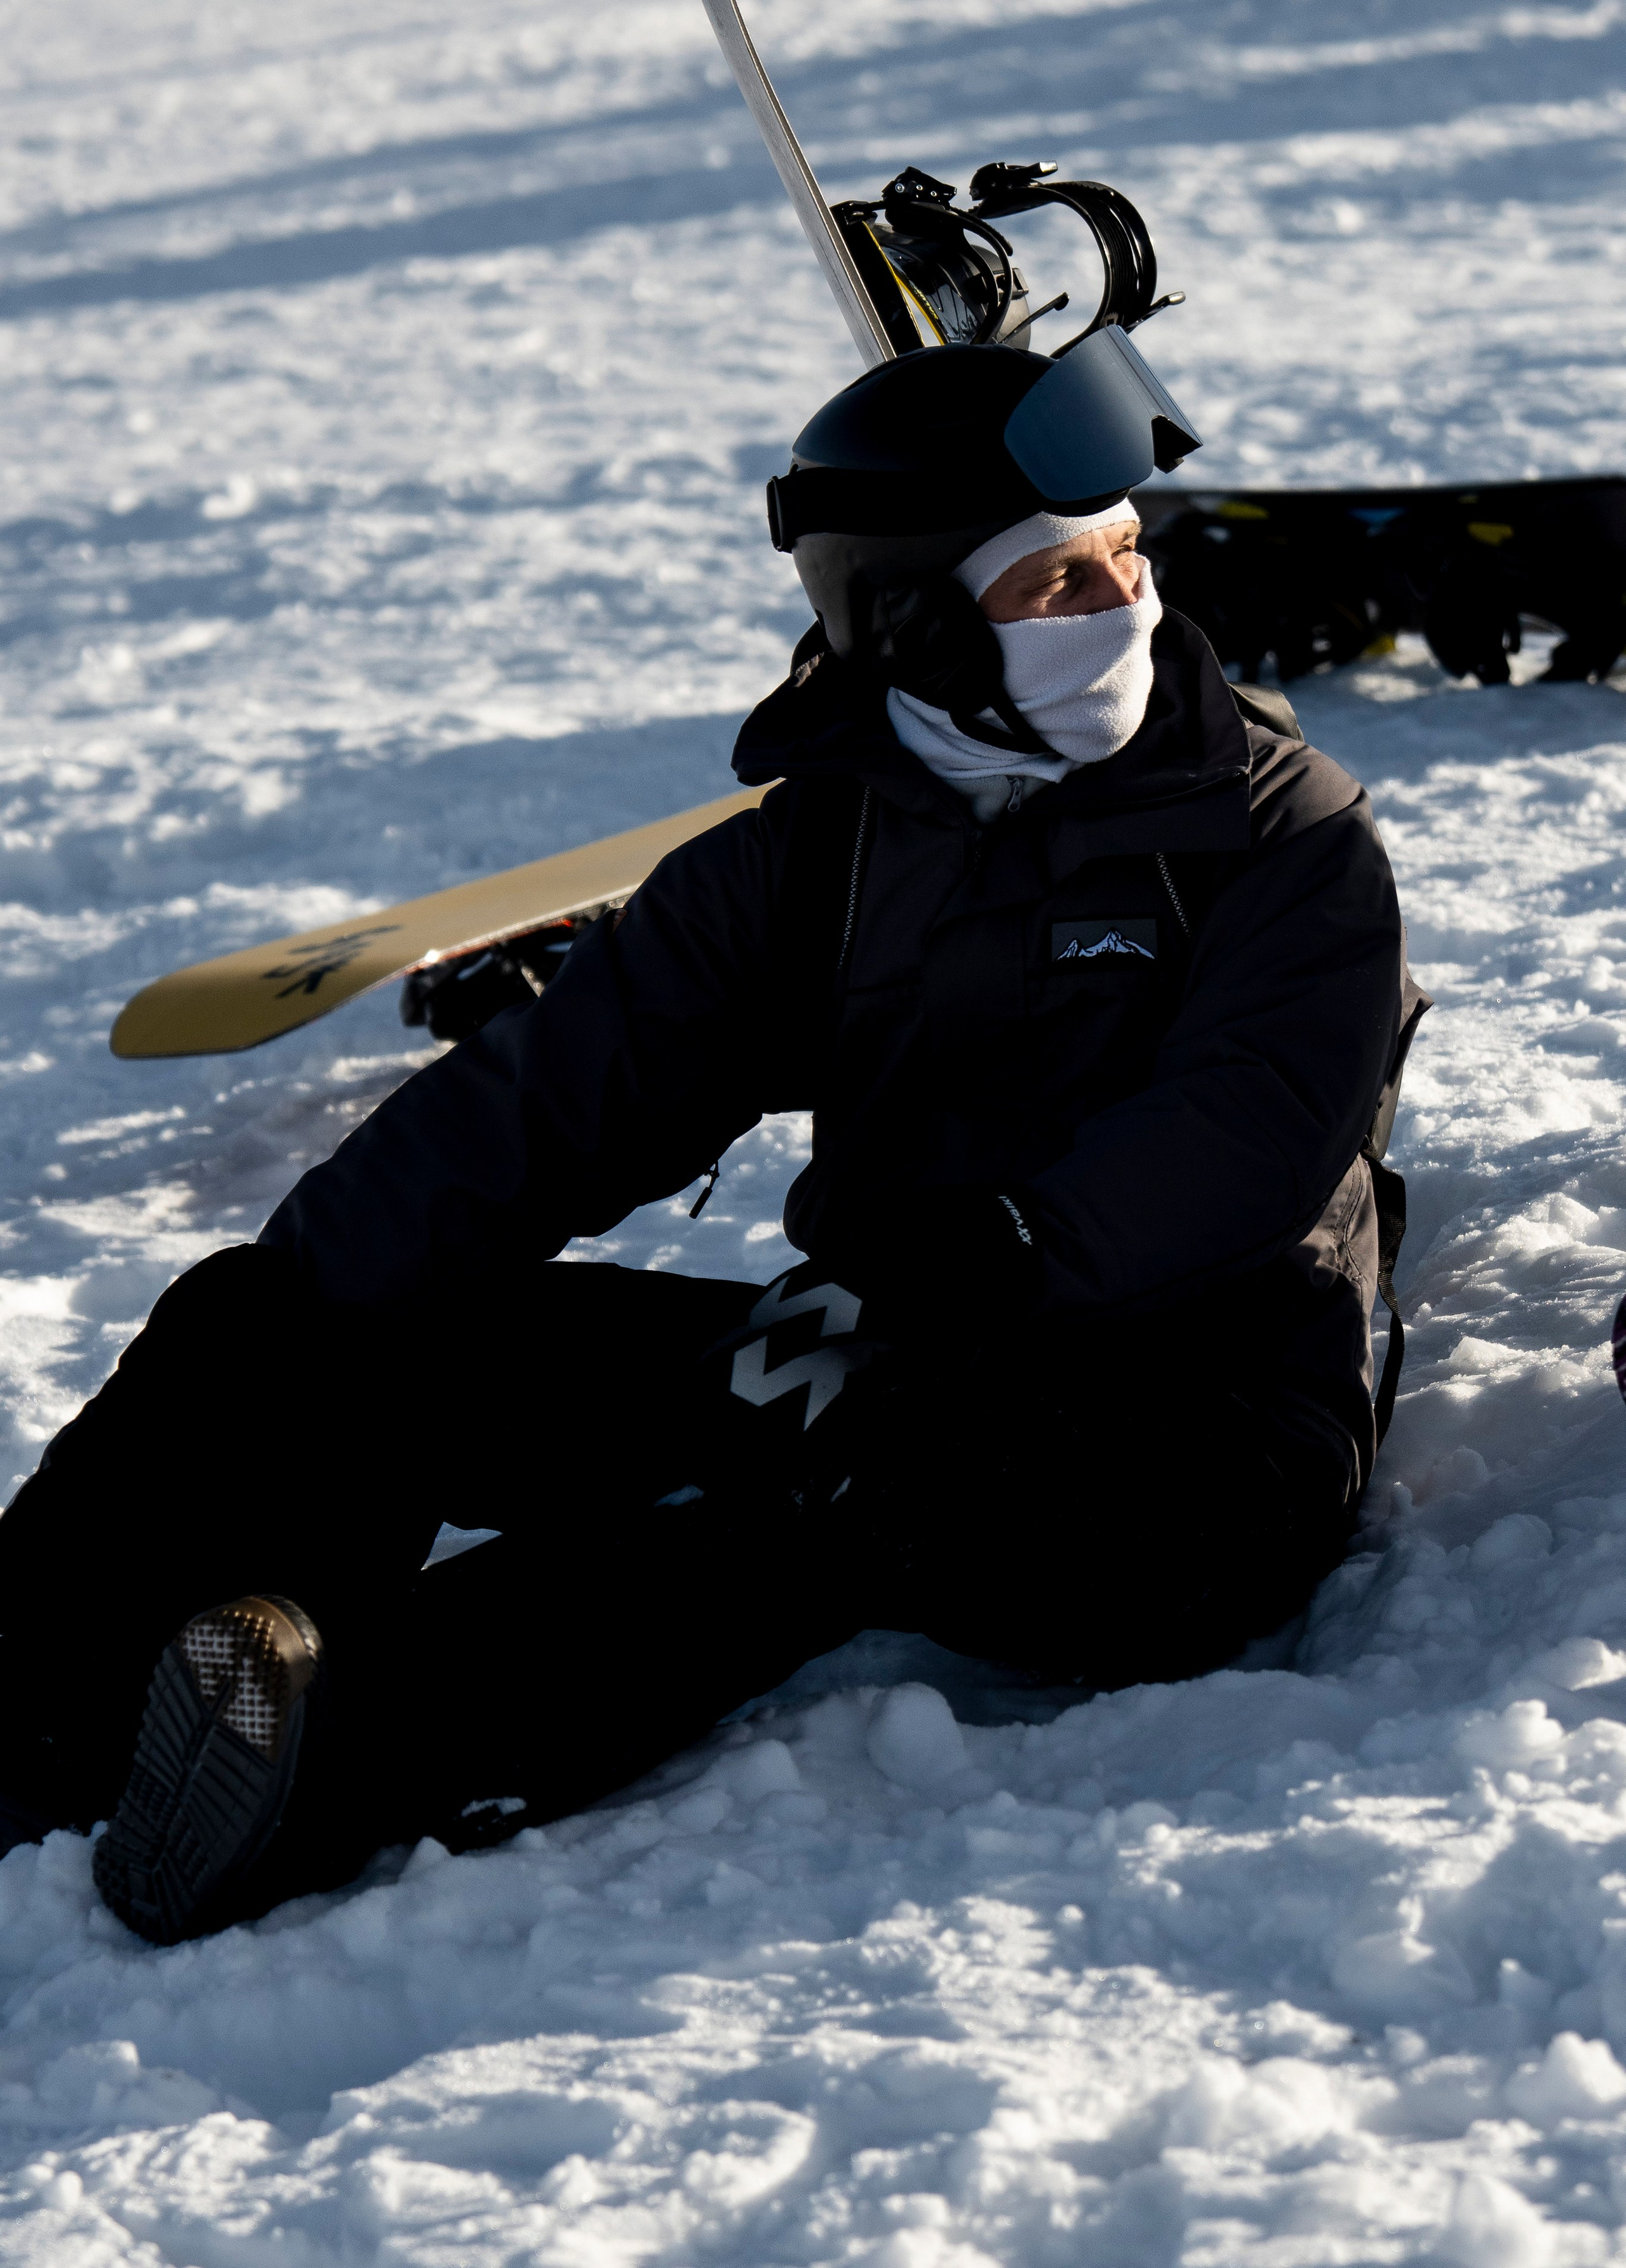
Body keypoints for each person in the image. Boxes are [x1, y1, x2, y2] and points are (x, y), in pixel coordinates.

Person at [0, 330, 1425, 1946]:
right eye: (1055, 587)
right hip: (888, 1331)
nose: (1121, 612)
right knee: (307, 1328)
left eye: (1122, 561)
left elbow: (1248, 1139)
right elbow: (558, 1090)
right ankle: (44, 1698)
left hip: (1196, 1436)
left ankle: (317, 1754)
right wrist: (308, 1301)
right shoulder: (822, 853)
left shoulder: (1274, 832)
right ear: (909, 621)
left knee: (799, 1488)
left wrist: (983, 1267)